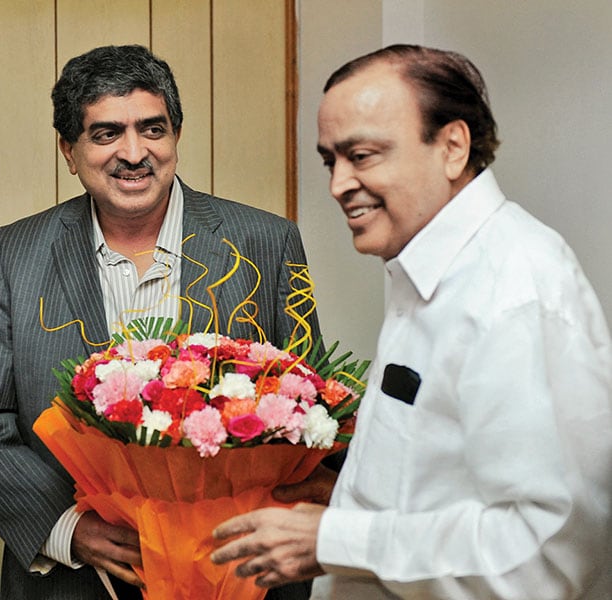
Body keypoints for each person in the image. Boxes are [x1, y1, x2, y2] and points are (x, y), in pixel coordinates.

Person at [210, 44, 612, 599]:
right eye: (332, 160)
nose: (338, 185)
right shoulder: (425, 274)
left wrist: (337, 541)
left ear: (451, 147)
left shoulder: (514, 290)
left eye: (364, 155)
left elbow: (545, 551)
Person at [0, 44, 321, 600]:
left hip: (237, 572)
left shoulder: (266, 243)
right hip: (74, 583)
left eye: (153, 129)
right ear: (68, 151)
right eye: (105, 134)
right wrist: (71, 530)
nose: (134, 152)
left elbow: (313, 414)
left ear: (175, 136)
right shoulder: (14, 255)